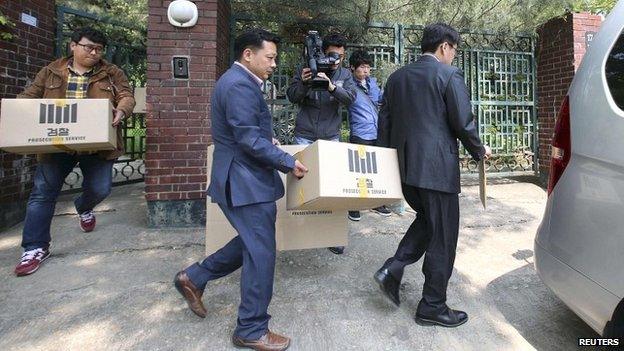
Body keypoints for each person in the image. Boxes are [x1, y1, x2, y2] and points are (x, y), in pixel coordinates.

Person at [173, 29, 308, 351]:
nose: (274, 64)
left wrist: (268, 141)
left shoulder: (239, 83)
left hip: (245, 177)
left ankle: (194, 277)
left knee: (252, 242)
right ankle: (251, 328)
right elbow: (247, 139)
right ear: (249, 54)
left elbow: (246, 132)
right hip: (244, 181)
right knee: (261, 254)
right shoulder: (238, 85)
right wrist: (287, 162)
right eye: (270, 57)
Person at [373, 23, 492, 328]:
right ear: (444, 47)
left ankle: (393, 268)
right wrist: (479, 149)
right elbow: (462, 122)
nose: (454, 56)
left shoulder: (397, 78)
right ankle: (432, 306)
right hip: (436, 171)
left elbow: (383, 125)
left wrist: (387, 166)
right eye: (454, 50)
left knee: (427, 221)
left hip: (404, 169)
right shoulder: (448, 75)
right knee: (443, 235)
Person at [14, 27, 135, 277]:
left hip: (96, 145)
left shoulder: (111, 73)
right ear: (73, 46)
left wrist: (121, 110)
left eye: (98, 49)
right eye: (89, 47)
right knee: (42, 195)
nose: (94, 53)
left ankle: (83, 206)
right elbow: (30, 97)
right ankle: (35, 248)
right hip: (56, 144)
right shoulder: (51, 71)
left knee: (101, 189)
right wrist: (17, 112)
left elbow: (126, 95)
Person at [287, 33, 356, 255]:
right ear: (321, 53)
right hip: (305, 133)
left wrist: (331, 87)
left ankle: (332, 235)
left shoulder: (345, 74)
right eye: (332, 55)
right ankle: (301, 231)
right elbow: (292, 96)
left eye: (341, 56)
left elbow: (351, 98)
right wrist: (306, 84)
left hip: (331, 135)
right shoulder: (306, 68)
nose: (336, 60)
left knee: (333, 188)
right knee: (302, 185)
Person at [346, 50, 392, 221]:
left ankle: (376, 202)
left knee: (375, 170)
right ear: (352, 68)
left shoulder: (372, 82)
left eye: (368, 67)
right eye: (362, 67)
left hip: (376, 131)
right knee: (359, 171)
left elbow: (381, 99)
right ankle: (353, 206)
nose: (366, 71)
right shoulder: (348, 84)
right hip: (360, 132)